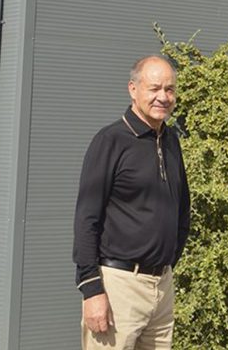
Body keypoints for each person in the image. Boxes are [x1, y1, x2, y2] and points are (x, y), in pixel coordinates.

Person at [73, 55, 190, 350]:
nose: (163, 97)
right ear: (133, 89)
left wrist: (166, 262)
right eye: (154, 88)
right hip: (119, 287)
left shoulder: (171, 141)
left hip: (161, 286)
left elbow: (181, 209)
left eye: (170, 89)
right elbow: (87, 218)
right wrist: (91, 289)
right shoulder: (111, 141)